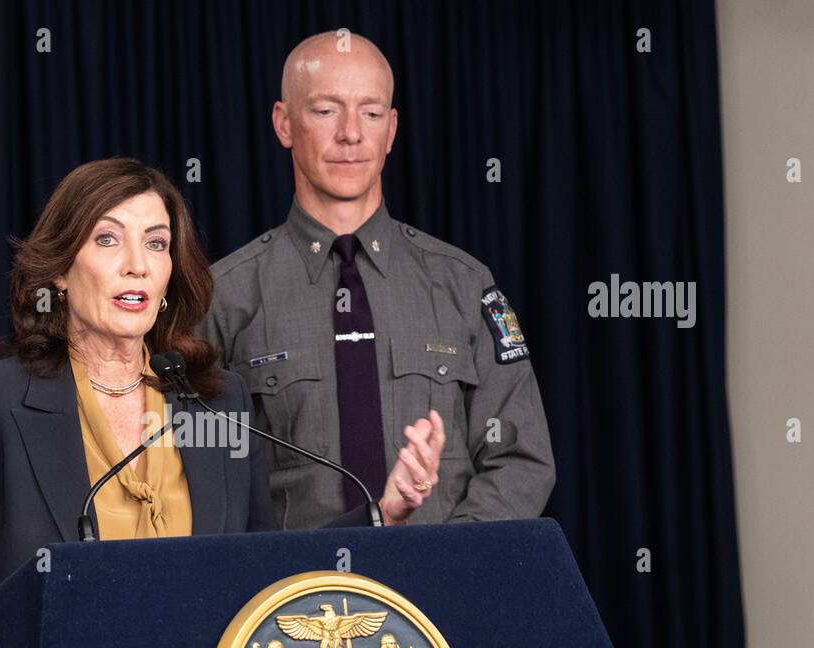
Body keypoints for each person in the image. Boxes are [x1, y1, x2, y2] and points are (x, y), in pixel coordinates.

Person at [0, 158, 446, 648]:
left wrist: (382, 512)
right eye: (108, 239)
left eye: (156, 243)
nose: (137, 265)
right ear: (60, 270)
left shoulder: (219, 401)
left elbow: (264, 568)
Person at [200, 31, 556, 529]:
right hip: (293, 595)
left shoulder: (464, 284)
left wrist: (452, 558)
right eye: (325, 110)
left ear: (391, 130)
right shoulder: (225, 296)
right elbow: (198, 479)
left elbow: (522, 458)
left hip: (440, 588)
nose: (351, 133)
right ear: (284, 123)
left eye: (370, 113)